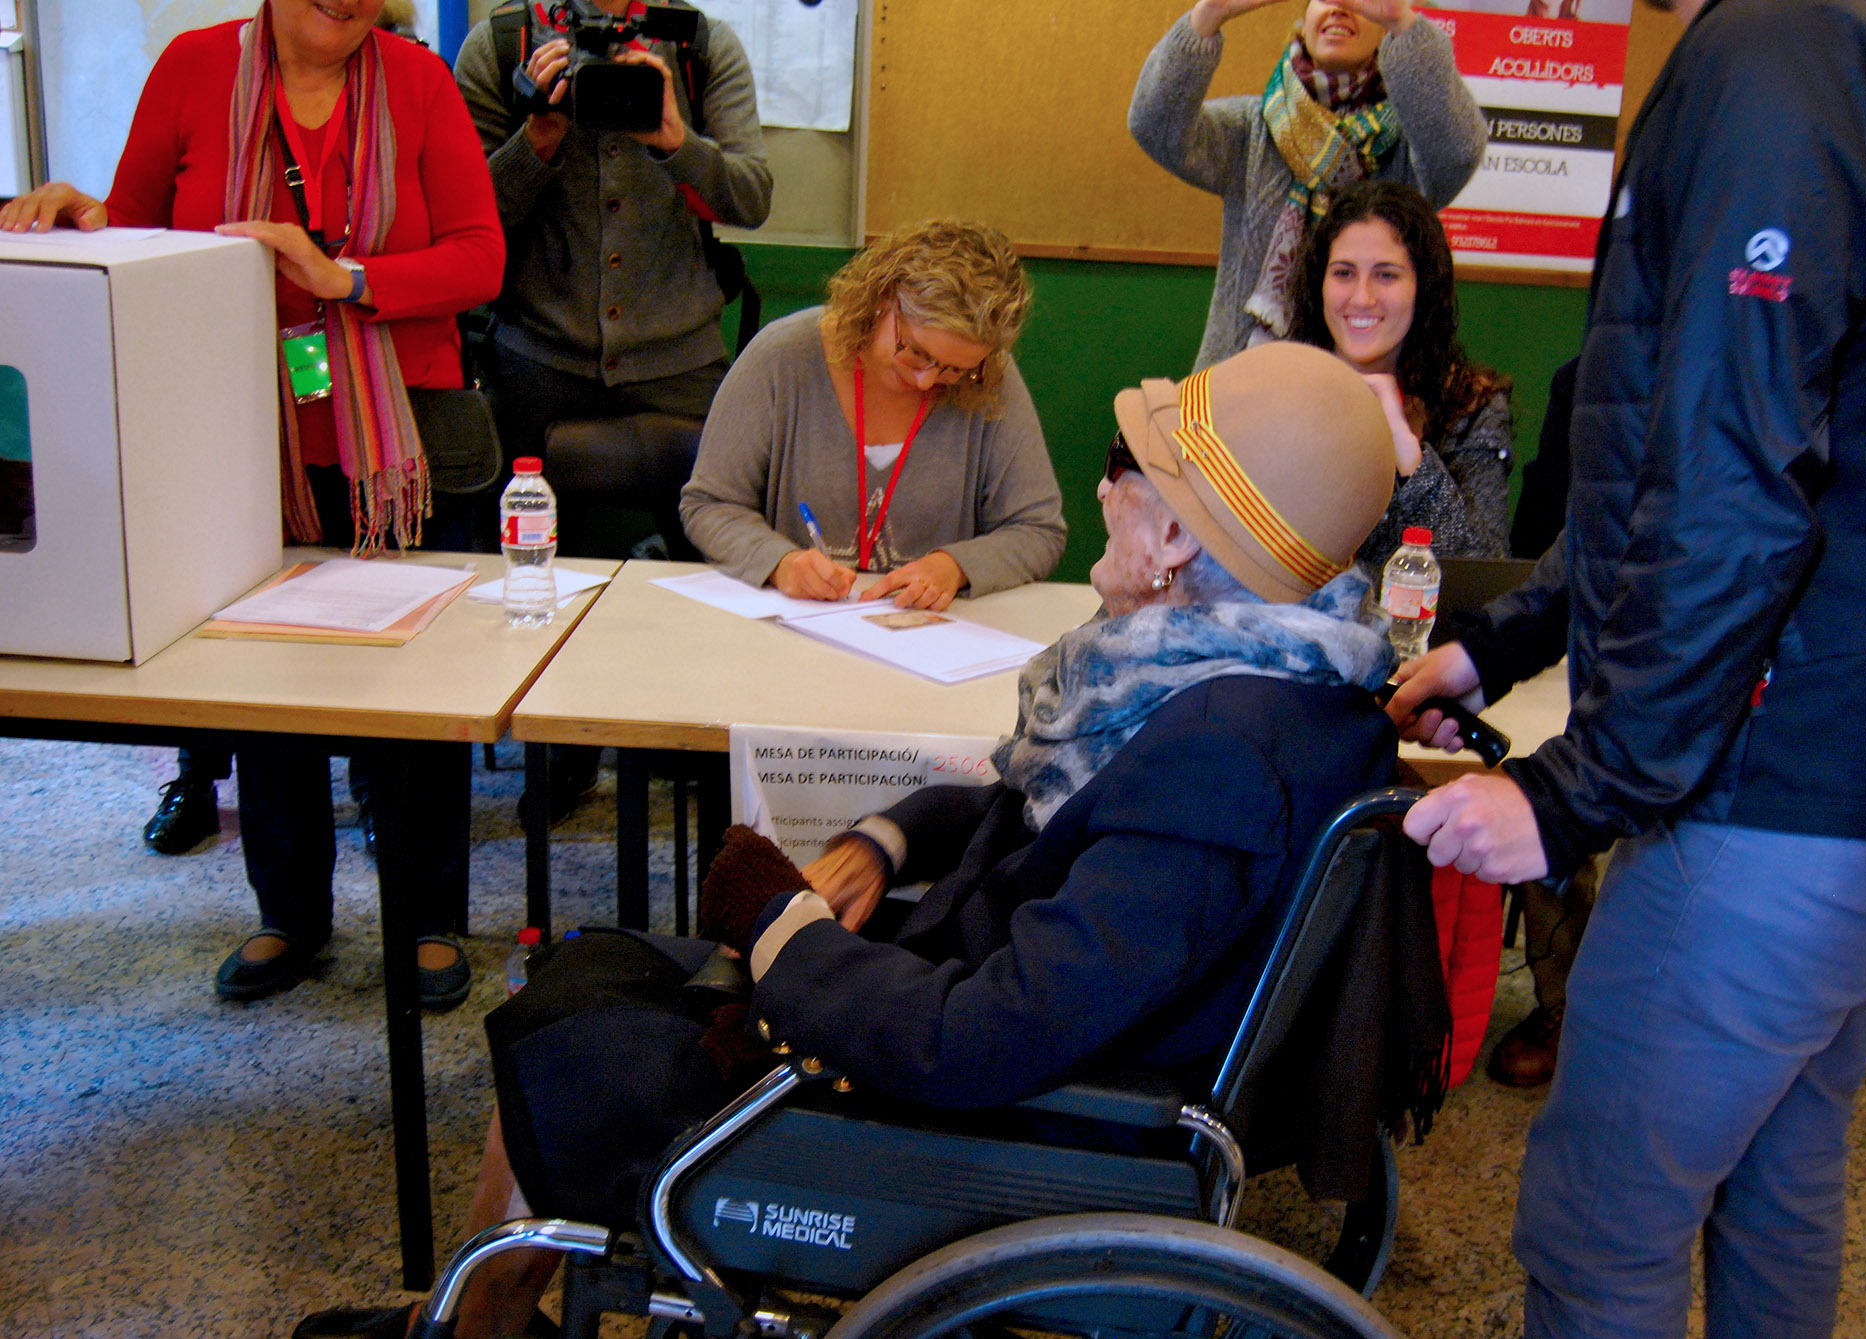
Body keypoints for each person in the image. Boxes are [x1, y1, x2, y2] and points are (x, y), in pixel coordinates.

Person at [295, 340, 1425, 1339]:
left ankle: (476, 1319)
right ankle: (477, 1319)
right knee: (579, 981)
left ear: (1173, 536)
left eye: (1129, 479)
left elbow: (979, 1040)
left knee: (577, 1032)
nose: (1103, 489)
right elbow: (1041, 823)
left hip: (1019, 1117)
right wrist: (887, 837)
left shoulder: (1217, 758)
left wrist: (782, 927)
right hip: (1014, 1025)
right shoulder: (1264, 695)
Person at [1386, 0, 1866, 1332]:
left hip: (1783, 785)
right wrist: (1502, 639)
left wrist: (1572, 791)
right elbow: (1711, 460)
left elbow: (1731, 476)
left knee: (1602, 1221)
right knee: (1773, 1174)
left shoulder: (1788, 49)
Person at [1, 0, 506, 1008]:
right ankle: (290, 913)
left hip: (398, 443)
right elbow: (136, 237)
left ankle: (427, 917)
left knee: (413, 697)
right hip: (235, 432)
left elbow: (478, 258)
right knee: (263, 682)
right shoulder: (192, 67)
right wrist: (77, 215)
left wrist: (344, 277)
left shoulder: (418, 80)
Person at [453, 0, 771, 555]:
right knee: (517, 572)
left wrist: (677, 142)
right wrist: (536, 140)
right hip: (536, 358)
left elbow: (751, 199)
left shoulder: (700, 46)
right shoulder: (503, 45)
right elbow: (462, 222)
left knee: (725, 564)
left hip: (682, 361)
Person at [681, 219, 1067, 611]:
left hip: (925, 638)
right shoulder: (783, 359)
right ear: (882, 298)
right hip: (796, 628)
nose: (926, 380)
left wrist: (954, 567)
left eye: (954, 369)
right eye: (915, 351)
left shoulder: (988, 378)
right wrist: (782, 563)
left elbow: (1038, 530)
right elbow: (710, 504)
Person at [1129, 0, 1485, 370]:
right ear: (1304, 19)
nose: (1339, 8)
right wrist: (1210, 12)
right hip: (1241, 383)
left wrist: (1403, 23)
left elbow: (1457, 154)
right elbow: (1155, 127)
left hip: (1369, 387)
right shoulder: (1256, 128)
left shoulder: (1409, 142)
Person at [1287, 180, 1511, 568]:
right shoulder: (1276, 386)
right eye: (1343, 273)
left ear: (1422, 287)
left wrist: (1409, 460)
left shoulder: (1469, 405)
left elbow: (1483, 577)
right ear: (1318, 283)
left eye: (1386, 275)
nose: (1361, 298)